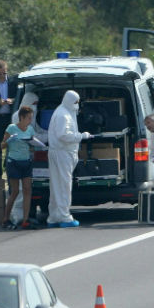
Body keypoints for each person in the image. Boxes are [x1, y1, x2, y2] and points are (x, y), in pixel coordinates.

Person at [46, 90, 91, 228]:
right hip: (62, 153)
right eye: (75, 101)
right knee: (64, 185)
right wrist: (81, 136)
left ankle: (54, 216)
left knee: (57, 186)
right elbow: (63, 135)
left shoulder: (64, 111)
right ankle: (64, 216)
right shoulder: (63, 115)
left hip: (61, 152)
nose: (77, 104)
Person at [8, 92, 48, 225]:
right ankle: (17, 216)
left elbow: (36, 130)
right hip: (17, 158)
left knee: (25, 189)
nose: (35, 106)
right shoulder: (18, 116)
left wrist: (47, 134)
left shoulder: (31, 115)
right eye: (34, 104)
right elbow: (31, 136)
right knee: (19, 190)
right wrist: (48, 138)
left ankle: (21, 216)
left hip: (25, 158)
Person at [1, 106, 37, 230]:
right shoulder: (11, 128)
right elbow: (2, 145)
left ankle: (25, 220)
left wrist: (33, 145)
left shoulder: (30, 129)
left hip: (26, 162)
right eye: (28, 118)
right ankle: (6, 218)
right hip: (14, 162)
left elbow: (32, 147)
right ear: (21, 117)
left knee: (27, 190)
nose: (30, 121)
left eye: (31, 118)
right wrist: (10, 140)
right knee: (15, 191)